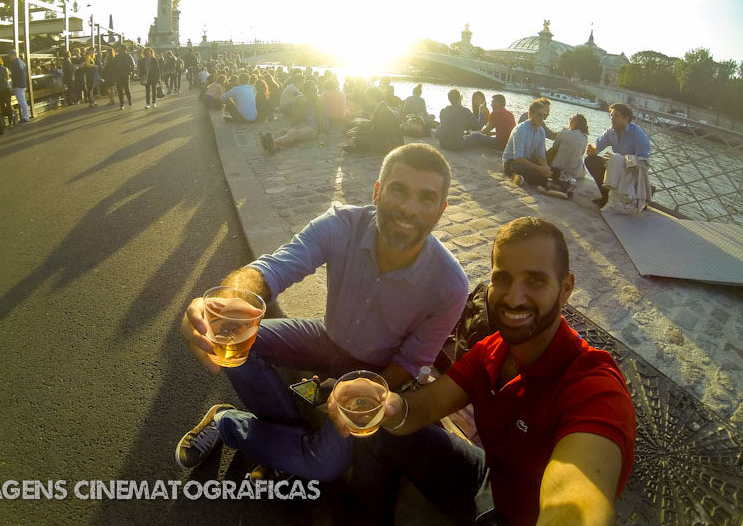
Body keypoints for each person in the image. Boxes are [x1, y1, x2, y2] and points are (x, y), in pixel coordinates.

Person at [177, 143, 469, 483]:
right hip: (324, 336)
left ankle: (226, 424)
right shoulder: (341, 224)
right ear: (377, 192)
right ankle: (289, 440)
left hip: (374, 370)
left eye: (426, 198)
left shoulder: (450, 286)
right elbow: (271, 270)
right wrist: (223, 305)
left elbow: (409, 363)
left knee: (326, 464)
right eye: (398, 190)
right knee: (233, 340)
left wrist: (362, 389)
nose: (408, 208)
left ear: (441, 210)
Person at [334, 217, 637, 526]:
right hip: (489, 480)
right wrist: (387, 404)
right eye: (502, 278)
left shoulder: (594, 387)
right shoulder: (492, 350)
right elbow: (423, 408)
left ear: (566, 288)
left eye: (535, 281)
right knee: (379, 434)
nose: (513, 297)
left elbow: (576, 494)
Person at [585, 103, 651, 208]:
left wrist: (619, 160)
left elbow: (643, 162)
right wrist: (591, 148)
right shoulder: (610, 132)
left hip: (632, 172)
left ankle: (635, 197)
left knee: (615, 160)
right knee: (590, 160)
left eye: (616, 115)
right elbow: (597, 147)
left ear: (626, 119)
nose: (612, 118)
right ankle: (606, 197)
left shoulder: (638, 134)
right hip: (617, 169)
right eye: (611, 115)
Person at [259, 81, 325, 154]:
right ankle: (274, 147)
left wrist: (324, 129)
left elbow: (324, 115)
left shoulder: (320, 99)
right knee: (287, 133)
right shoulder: (299, 99)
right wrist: (292, 126)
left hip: (312, 128)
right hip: (300, 124)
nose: (314, 93)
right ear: (305, 92)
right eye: (312, 91)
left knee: (295, 134)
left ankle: (271, 143)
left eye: (315, 90)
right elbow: (295, 115)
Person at [501, 99, 552, 187]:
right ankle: (548, 183)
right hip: (511, 162)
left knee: (554, 171)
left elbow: (541, 156)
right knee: (534, 174)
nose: (542, 119)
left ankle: (523, 178)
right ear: (530, 114)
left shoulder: (541, 131)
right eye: (539, 115)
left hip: (526, 160)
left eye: (543, 116)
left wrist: (546, 168)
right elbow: (518, 158)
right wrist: (540, 169)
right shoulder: (521, 129)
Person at [547, 113, 589, 180]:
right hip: (575, 172)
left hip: (557, 167)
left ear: (575, 122)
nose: (570, 121)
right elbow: (581, 154)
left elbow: (555, 147)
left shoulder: (564, 132)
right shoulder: (585, 138)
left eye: (571, 119)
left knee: (550, 152)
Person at [7, 49, 30, 122]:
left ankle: (25, 117)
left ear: (13, 55)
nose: (9, 57)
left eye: (10, 55)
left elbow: (14, 75)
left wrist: (9, 75)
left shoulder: (15, 63)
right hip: (23, 84)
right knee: (23, 101)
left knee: (22, 102)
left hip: (18, 85)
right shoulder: (22, 62)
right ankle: (25, 116)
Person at [114, 45, 135, 110]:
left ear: (124, 49)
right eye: (118, 48)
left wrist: (131, 71)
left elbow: (133, 64)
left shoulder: (128, 56)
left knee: (127, 89)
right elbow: (114, 65)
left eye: (120, 48)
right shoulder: (116, 57)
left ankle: (129, 100)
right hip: (118, 75)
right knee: (120, 90)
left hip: (126, 74)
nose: (118, 49)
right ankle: (122, 104)